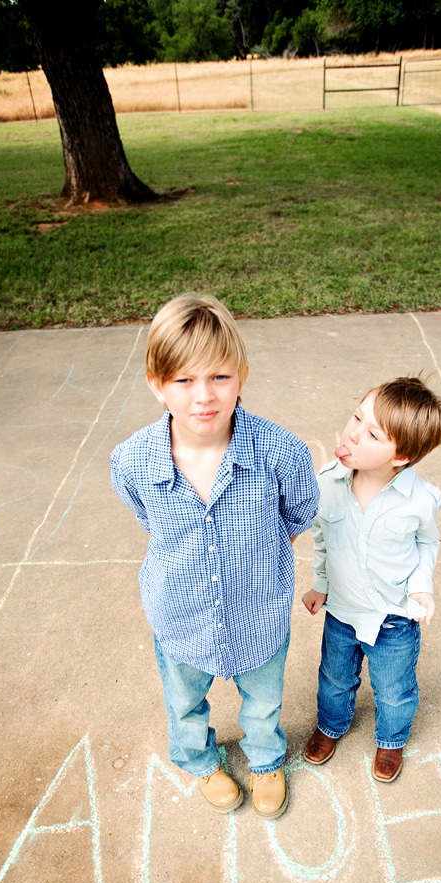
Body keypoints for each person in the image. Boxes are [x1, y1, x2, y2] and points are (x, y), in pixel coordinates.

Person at [111, 294, 319, 818]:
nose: (203, 395)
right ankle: (200, 759)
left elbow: (297, 513)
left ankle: (266, 759)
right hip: (179, 613)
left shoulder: (280, 452)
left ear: (242, 377)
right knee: (184, 703)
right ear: (157, 384)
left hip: (257, 611)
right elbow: (147, 516)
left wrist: (262, 552)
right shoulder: (133, 460)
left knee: (264, 702)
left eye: (219, 377)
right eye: (183, 380)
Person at [302, 376, 441, 782]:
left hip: (393, 619)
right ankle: (331, 726)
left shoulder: (419, 500)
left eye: (371, 433)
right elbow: (321, 538)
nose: (353, 432)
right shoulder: (328, 483)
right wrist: (321, 583)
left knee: (394, 689)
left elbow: (428, 543)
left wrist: (422, 585)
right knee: (334, 678)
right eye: (357, 417)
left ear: (401, 455)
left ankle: (391, 739)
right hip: (342, 611)